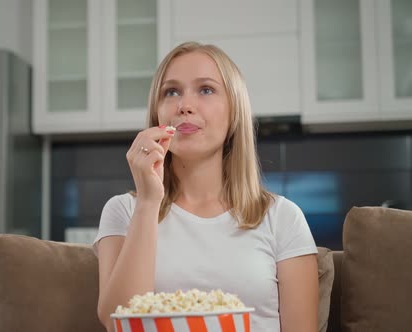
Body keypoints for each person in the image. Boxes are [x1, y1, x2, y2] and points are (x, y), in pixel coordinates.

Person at [92, 41, 319, 331]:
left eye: (206, 90)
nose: (184, 105)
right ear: (157, 112)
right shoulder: (123, 211)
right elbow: (118, 323)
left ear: (234, 110)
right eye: (171, 91)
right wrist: (148, 203)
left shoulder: (284, 218)